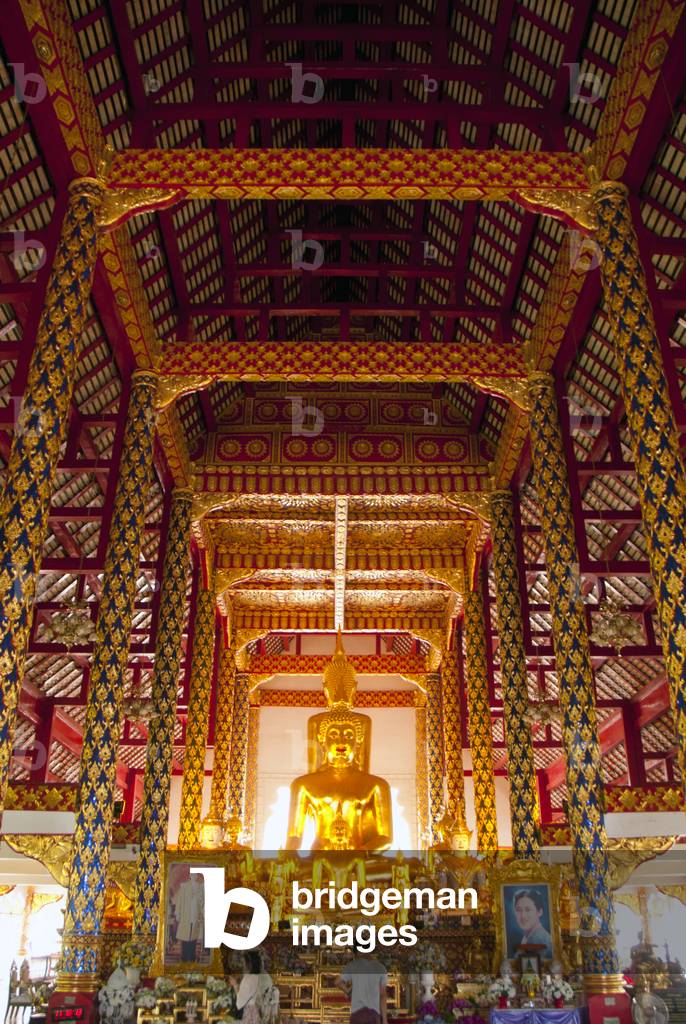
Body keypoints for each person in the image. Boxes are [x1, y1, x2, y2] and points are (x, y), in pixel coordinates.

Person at [336, 946, 388, 1024]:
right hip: (373, 1013)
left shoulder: (352, 965)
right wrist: (384, 1020)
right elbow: (383, 995)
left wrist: (348, 992)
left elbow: (337, 982)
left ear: (358, 952)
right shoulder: (380, 967)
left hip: (357, 1013)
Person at [229, 951, 279, 1024]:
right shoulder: (263, 975)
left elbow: (240, 1003)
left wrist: (235, 985)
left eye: (244, 962)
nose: (243, 965)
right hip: (264, 1012)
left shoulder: (249, 978)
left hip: (250, 1014)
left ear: (248, 964)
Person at [173, 871, 204, 962]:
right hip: (186, 915)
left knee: (193, 938)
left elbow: (202, 902)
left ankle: (192, 957)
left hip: (196, 916)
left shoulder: (200, 887)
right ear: (190, 875)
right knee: (185, 937)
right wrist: (177, 913)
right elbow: (180, 900)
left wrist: (202, 913)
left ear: (197, 876)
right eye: (192, 874)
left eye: (196, 874)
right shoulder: (184, 886)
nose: (194, 876)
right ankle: (184, 957)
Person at [512, 888, 553, 958]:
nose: (523, 916)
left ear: (539, 912)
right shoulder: (528, 936)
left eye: (528, 910)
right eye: (518, 910)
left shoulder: (539, 939)